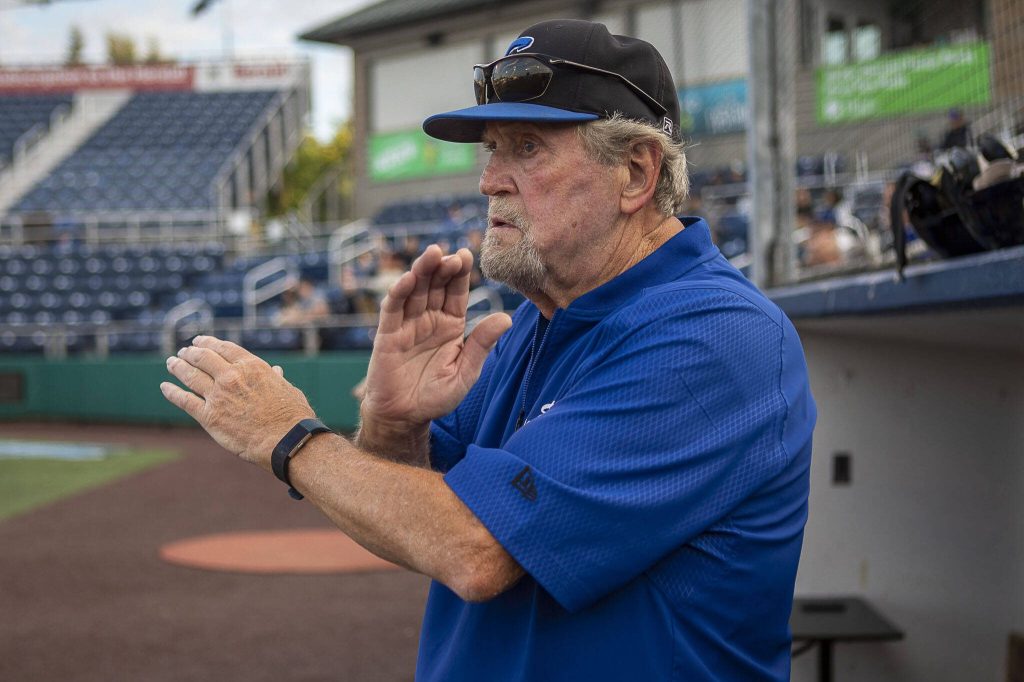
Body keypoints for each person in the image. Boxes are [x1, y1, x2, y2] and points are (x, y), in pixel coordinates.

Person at [161, 19, 815, 681]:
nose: (489, 180)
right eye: (491, 149)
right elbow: (410, 523)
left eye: (527, 148)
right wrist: (395, 424)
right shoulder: (531, 323)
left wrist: (288, 435)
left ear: (635, 173)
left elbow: (474, 550)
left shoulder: (716, 335)